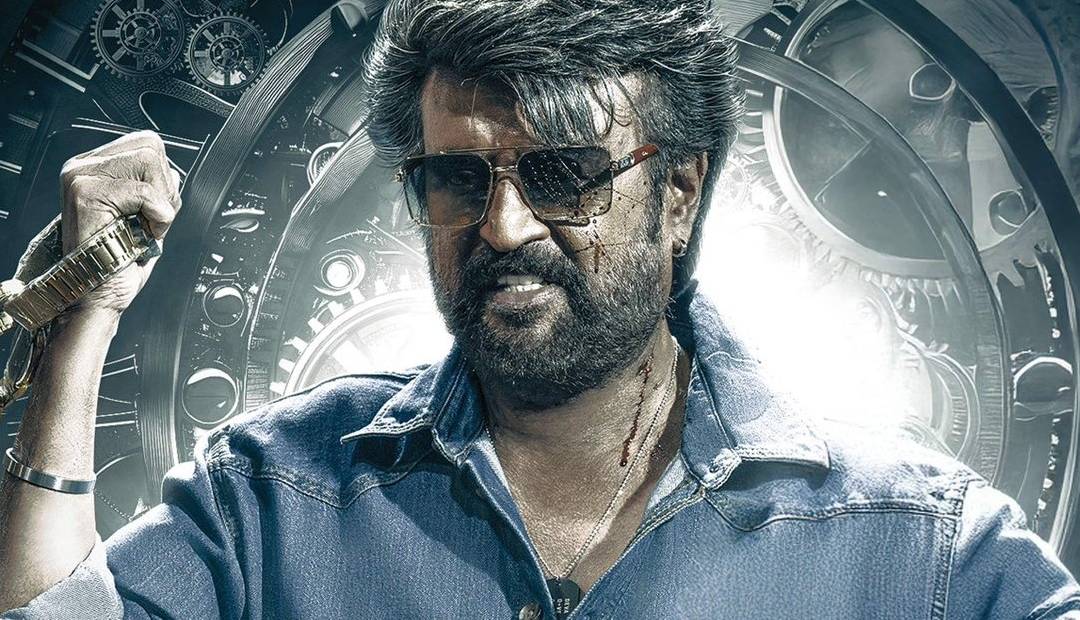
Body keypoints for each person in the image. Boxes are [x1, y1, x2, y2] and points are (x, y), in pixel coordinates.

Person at [1, 0, 1078, 618]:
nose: (504, 225)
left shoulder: (919, 541)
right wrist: (79, 328)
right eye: (457, 179)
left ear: (680, 194)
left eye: (565, 173)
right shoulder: (270, 496)